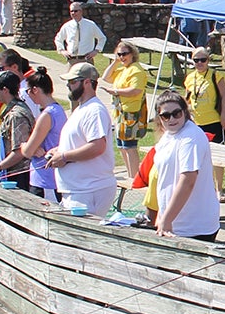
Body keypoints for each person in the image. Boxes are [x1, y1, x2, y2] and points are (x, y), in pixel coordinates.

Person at [43, 61, 118, 215]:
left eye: (73, 82)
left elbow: (97, 146)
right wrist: (59, 150)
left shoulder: (94, 110)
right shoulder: (82, 109)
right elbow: (80, 141)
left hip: (89, 190)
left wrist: (64, 156)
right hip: (79, 190)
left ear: (87, 82)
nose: (68, 85)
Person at [150, 89, 223, 240]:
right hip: (174, 224)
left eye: (176, 113)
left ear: (184, 112)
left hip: (194, 227)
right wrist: (161, 214)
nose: (171, 119)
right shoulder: (167, 136)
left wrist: (167, 219)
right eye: (165, 116)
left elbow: (188, 180)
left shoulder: (191, 137)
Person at [98, 40, 149, 177]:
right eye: (119, 54)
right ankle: (130, 174)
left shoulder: (136, 70)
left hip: (131, 113)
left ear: (132, 54)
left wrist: (116, 92)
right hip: (120, 113)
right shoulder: (123, 69)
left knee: (130, 146)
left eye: (124, 54)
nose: (122, 57)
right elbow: (106, 77)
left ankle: (135, 177)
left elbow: (136, 90)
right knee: (121, 146)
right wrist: (115, 62)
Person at [17, 69, 68, 203]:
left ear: (35, 90)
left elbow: (27, 151)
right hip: (53, 177)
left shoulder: (47, 115)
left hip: (44, 180)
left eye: (28, 91)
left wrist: (23, 145)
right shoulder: (59, 110)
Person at [182, 47, 225, 143]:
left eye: (203, 60)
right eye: (196, 60)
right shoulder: (189, 78)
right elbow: (187, 99)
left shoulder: (216, 75)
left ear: (208, 60)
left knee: (216, 149)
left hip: (214, 121)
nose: (199, 63)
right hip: (196, 122)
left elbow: (224, 97)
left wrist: (223, 116)